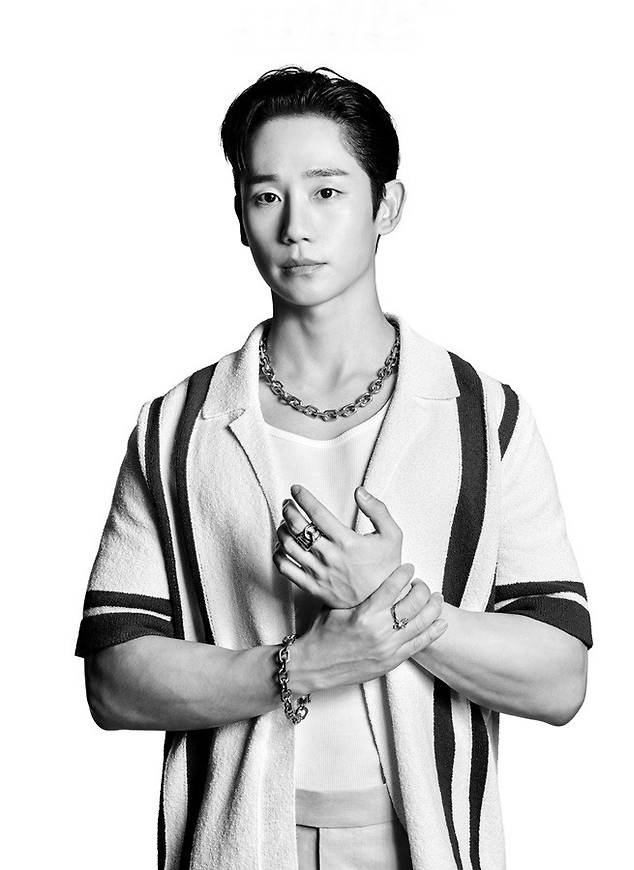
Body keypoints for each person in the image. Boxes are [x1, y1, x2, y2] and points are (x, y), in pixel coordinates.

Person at [75, 66, 593, 870]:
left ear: (386, 205)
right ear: (240, 217)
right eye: (266, 195)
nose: (296, 227)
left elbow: (560, 679)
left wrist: (390, 603)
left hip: (418, 846)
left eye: (326, 191)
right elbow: (114, 681)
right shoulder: (178, 427)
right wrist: (303, 666)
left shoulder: (483, 418)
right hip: (238, 846)